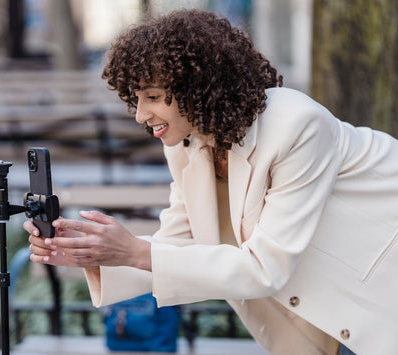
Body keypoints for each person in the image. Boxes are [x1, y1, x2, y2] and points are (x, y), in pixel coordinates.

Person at [24, 9, 398, 355]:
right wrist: (88, 254)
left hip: (379, 303)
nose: (140, 114)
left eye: (152, 96)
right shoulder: (187, 147)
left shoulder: (295, 124)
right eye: (135, 99)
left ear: (195, 86)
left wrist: (133, 250)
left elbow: (265, 267)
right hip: (322, 319)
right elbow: (176, 242)